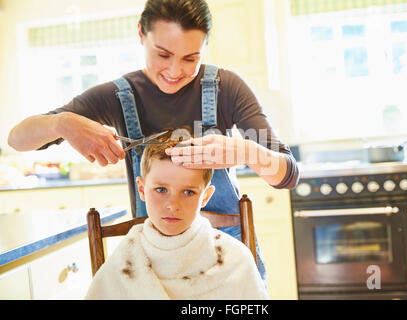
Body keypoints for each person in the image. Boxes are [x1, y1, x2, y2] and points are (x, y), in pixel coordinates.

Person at [7, 0, 300, 283]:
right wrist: (62, 122)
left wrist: (246, 150)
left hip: (225, 264)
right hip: (153, 267)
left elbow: (287, 174)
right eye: (163, 54)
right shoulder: (119, 97)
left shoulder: (227, 89)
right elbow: (17, 140)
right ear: (140, 35)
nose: (174, 71)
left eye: (190, 58)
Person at [85, 129, 269, 300]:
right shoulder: (122, 263)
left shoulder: (236, 261)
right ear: (141, 189)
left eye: (188, 192)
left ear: (205, 196)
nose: (173, 205)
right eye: (161, 189)